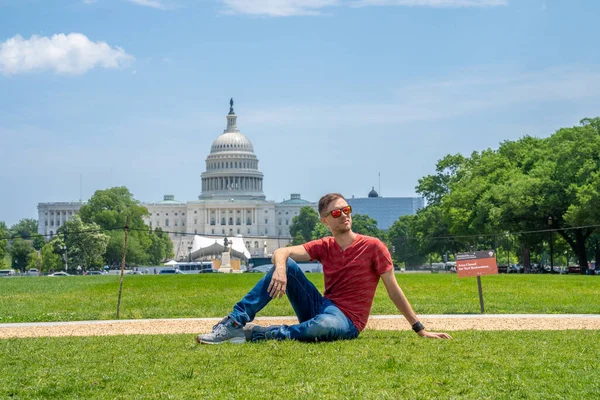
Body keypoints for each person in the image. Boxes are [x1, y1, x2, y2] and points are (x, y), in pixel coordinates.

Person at [197, 193, 451, 344]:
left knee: (322, 326)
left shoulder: (374, 247)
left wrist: (420, 328)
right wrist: (281, 268)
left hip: (347, 320)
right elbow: (281, 251)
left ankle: (257, 334)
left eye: (346, 210)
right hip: (321, 307)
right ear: (325, 220)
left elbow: (394, 290)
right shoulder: (325, 245)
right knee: (286, 263)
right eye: (336, 212)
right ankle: (233, 322)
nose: (344, 215)